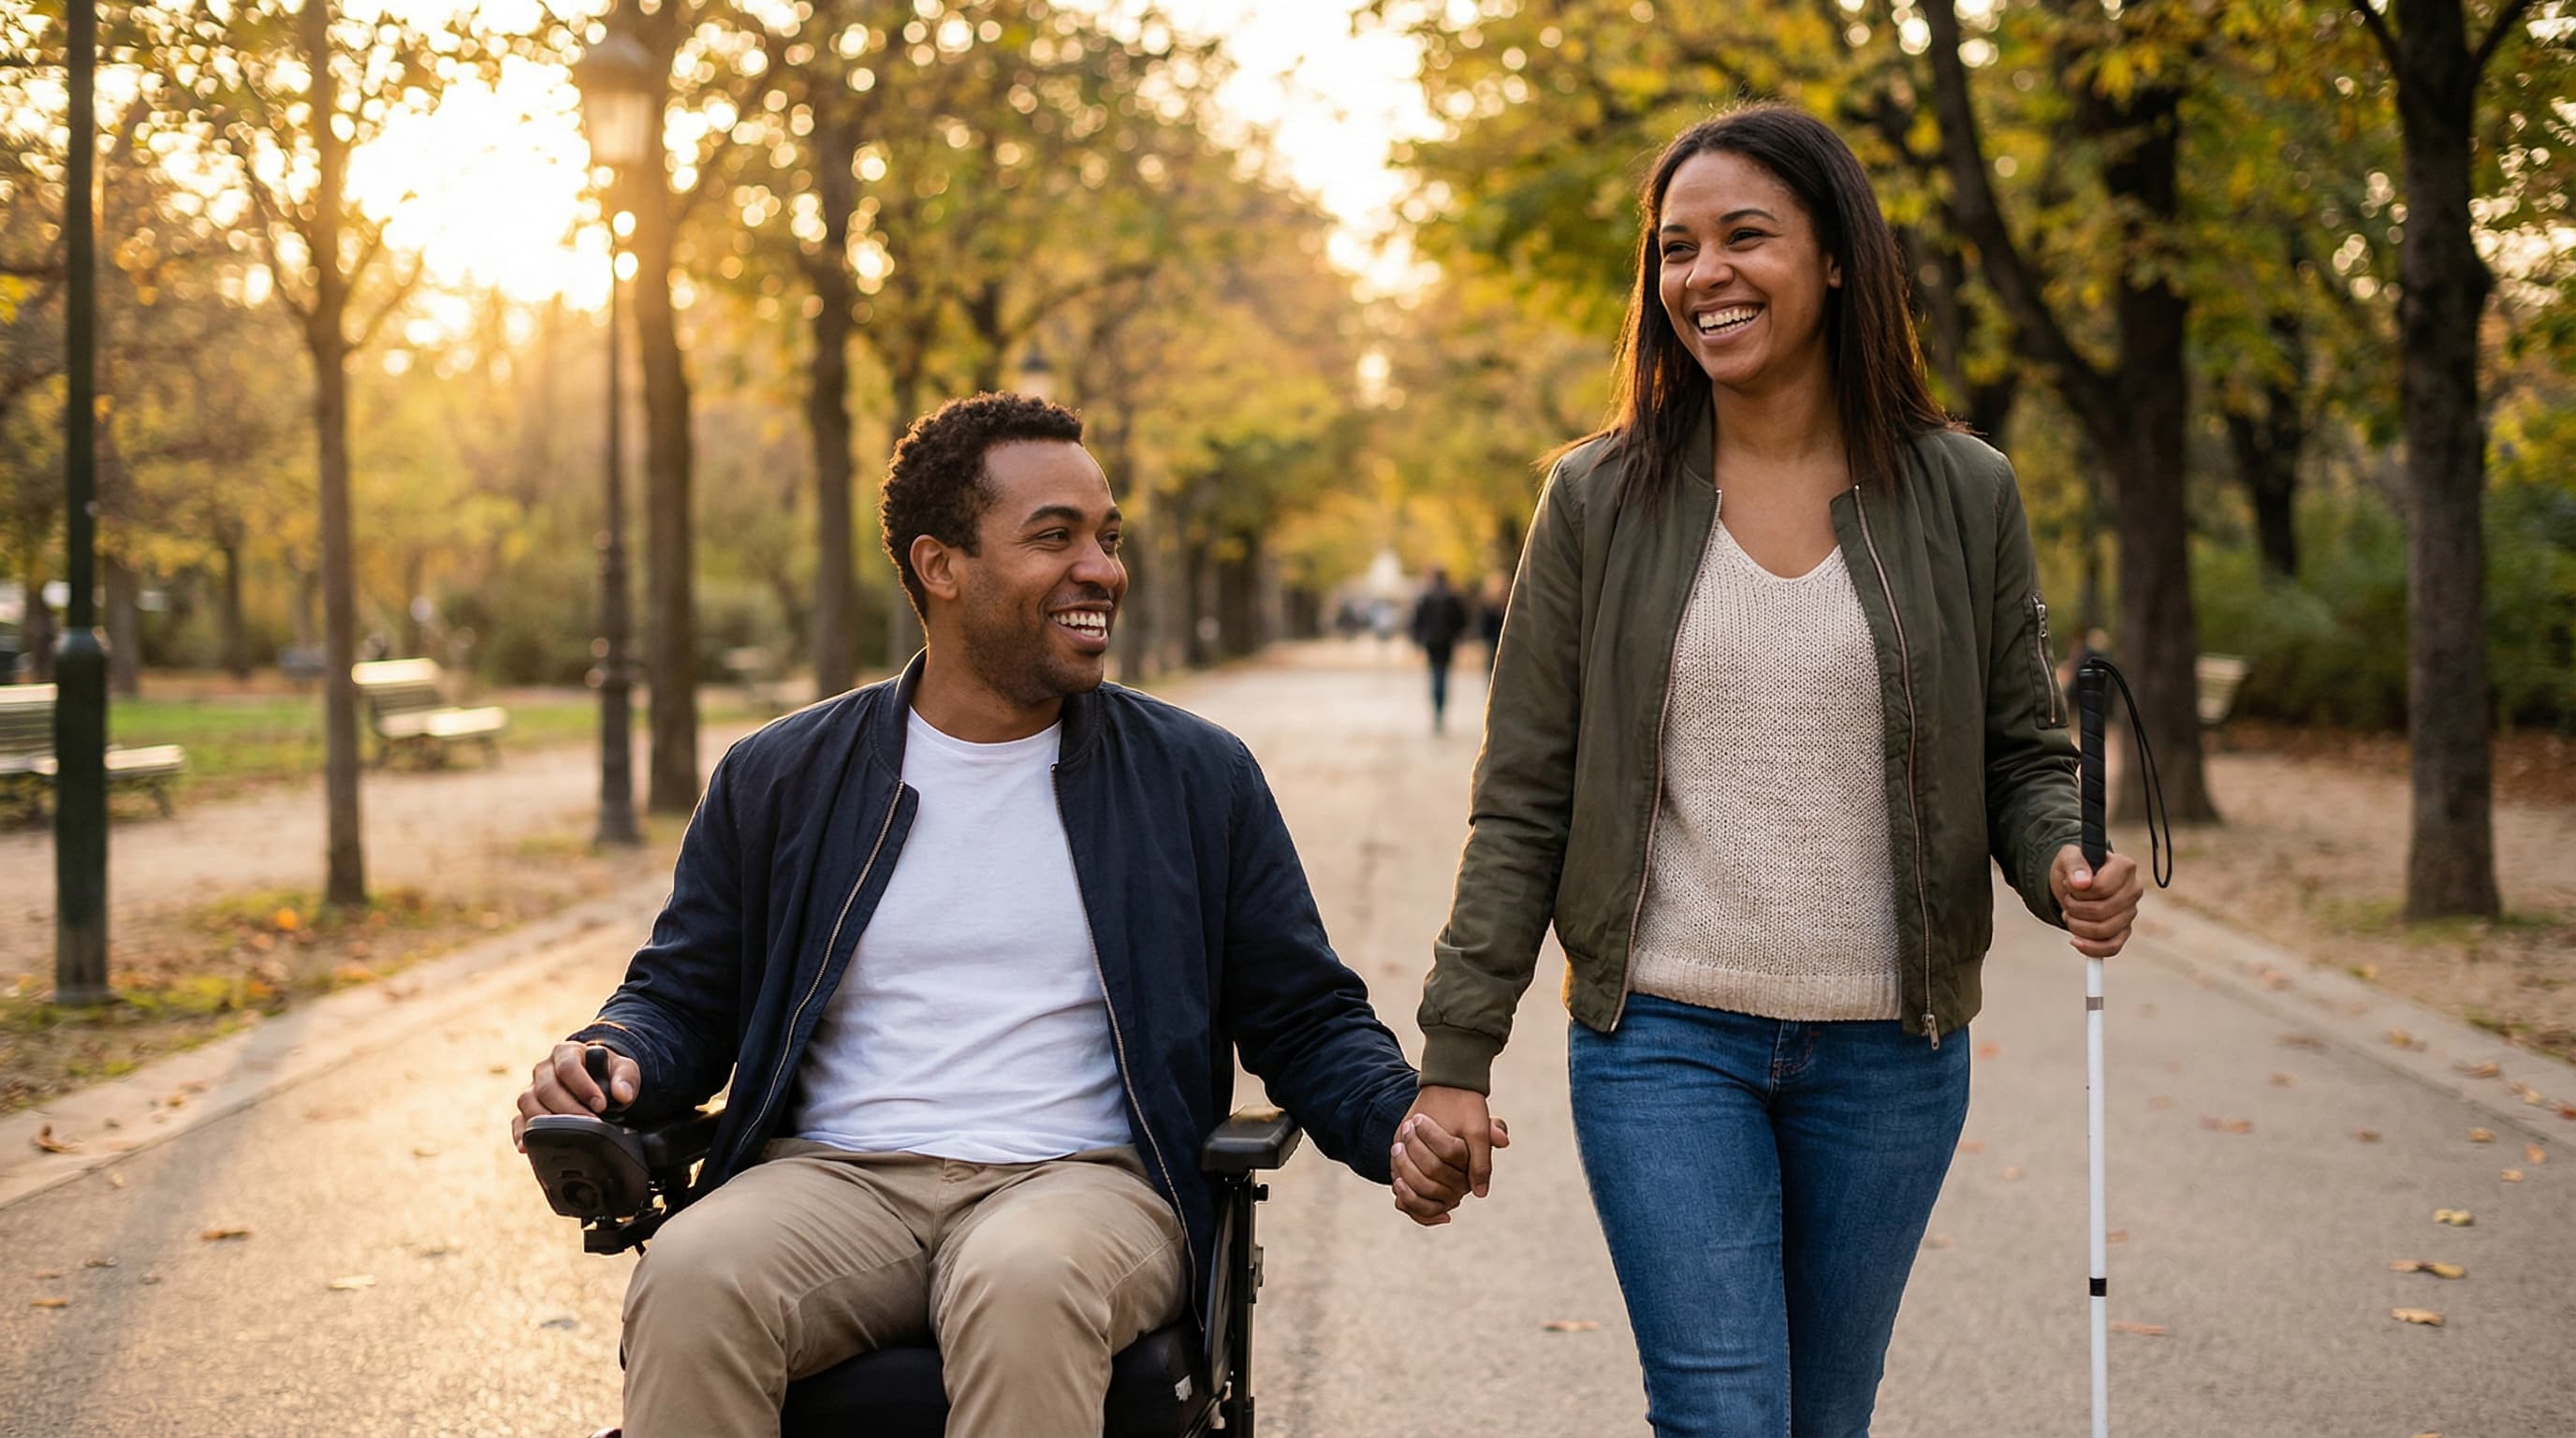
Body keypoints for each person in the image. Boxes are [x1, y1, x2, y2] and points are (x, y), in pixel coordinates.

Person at [1389, 107, 2146, 1436]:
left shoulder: (1965, 491)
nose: (1704, 275)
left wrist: (2059, 862)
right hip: (1666, 1037)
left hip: (1891, 1054)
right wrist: (1460, 1048)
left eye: (1747, 236)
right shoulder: (1597, 500)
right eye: (1676, 249)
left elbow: (2024, 752)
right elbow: (1525, 799)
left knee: (1823, 1418)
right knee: (1725, 1413)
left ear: (1838, 256)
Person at [513, 392, 1441, 1438]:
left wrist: (1396, 1118)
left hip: (1081, 1184)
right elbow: (683, 996)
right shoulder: (783, 777)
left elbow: (1303, 1014)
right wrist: (614, 1054)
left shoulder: (1192, 778)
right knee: (691, 1274)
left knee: (1023, 1284)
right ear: (939, 567)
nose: (1101, 569)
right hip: (834, 1179)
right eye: (1055, 537)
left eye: (1107, 538)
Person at [1409, 566, 1471, 732]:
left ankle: (1438, 711)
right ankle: (1440, 710)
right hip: (1446, 643)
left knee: (1436, 676)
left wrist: (1417, 640)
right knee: (1442, 676)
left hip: (1433, 643)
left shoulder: (1427, 597)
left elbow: (1417, 621)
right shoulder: (1451, 598)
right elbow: (1461, 621)